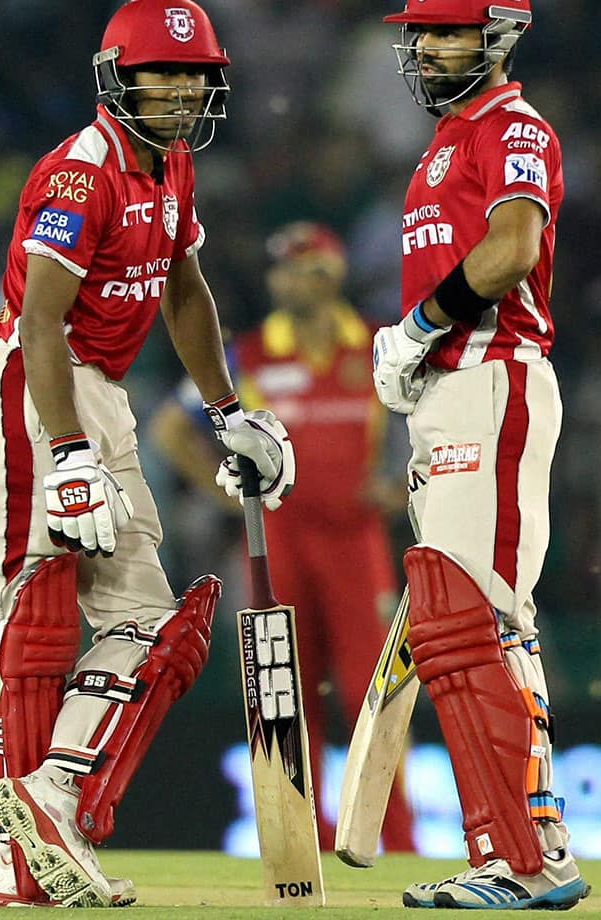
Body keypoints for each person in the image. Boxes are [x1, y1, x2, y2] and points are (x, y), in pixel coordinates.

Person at [0, 0, 294, 908]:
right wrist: (66, 452)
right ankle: (15, 843)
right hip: (33, 386)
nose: (181, 90)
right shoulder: (80, 171)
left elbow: (185, 291)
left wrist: (227, 412)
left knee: (150, 625)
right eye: (162, 73)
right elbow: (40, 321)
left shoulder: (172, 167)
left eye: (194, 75)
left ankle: (52, 801)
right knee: (17, 631)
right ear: (118, 79)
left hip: (97, 394)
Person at [371, 0, 591, 910]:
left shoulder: (513, 125)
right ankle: (512, 850)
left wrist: (418, 329)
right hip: (454, 393)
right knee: (471, 629)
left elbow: (513, 249)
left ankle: (529, 858)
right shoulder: (449, 138)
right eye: (419, 33)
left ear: (497, 36)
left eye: (445, 31)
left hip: (493, 383)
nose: (424, 49)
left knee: (485, 624)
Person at [151, 221, 416, 853]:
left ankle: (396, 840)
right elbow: (168, 428)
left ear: (333, 271)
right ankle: (298, 843)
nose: (291, 278)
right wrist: (227, 494)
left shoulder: (377, 347)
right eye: (283, 267)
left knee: (373, 693)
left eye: (304, 265)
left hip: (358, 544)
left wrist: (404, 484)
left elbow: (425, 415)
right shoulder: (247, 354)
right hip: (278, 541)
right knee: (285, 691)